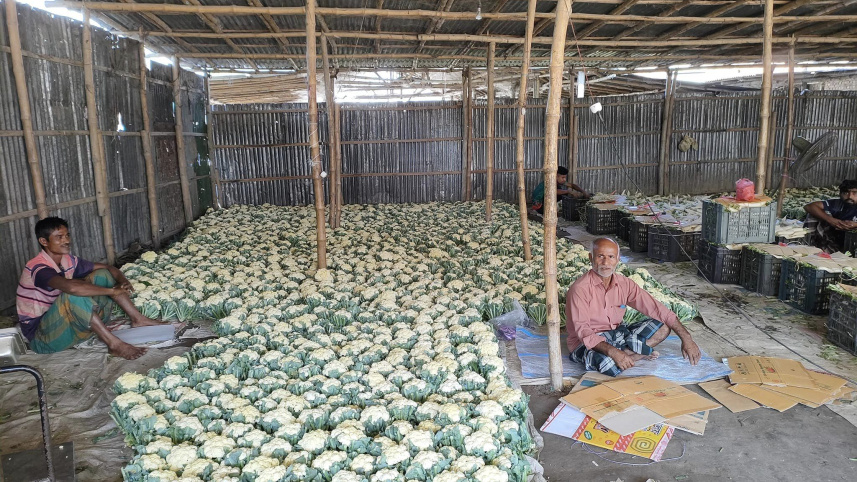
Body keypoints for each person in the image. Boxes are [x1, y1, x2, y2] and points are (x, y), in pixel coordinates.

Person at [16, 217, 166, 359]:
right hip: (44, 338)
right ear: (44, 241)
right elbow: (72, 289)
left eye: (67, 235)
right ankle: (114, 344)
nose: (66, 240)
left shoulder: (67, 260)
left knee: (103, 274)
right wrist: (113, 291)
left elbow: (108, 268)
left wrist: (123, 281)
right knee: (73, 293)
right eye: (59, 237)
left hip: (73, 327)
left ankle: (138, 319)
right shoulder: (38, 267)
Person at [565, 237, 701, 376]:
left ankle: (627, 355)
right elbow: (584, 331)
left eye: (611, 257)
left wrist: (687, 338)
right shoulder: (580, 289)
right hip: (587, 342)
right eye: (600, 256)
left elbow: (657, 309)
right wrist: (613, 352)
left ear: (618, 259)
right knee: (607, 364)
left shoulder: (625, 284)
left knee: (664, 327)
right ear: (591, 258)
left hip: (617, 335)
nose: (605, 263)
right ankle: (635, 354)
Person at [803, 180, 857, 253]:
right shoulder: (837, 204)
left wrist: (855, 225)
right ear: (840, 194)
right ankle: (810, 245)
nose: (850, 196)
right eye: (846, 193)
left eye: (854, 193)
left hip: (854, 243)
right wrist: (831, 220)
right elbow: (809, 207)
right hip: (835, 239)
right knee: (814, 214)